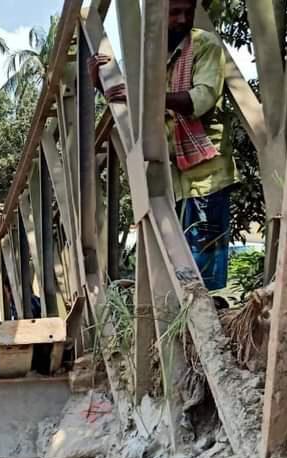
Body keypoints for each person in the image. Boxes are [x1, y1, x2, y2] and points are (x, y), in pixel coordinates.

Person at [89, 0, 238, 290]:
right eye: (174, 13)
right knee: (176, 273)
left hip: (206, 180)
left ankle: (211, 329)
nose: (182, 19)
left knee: (203, 279)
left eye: (188, 12)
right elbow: (135, 115)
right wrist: (101, 86)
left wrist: (146, 96)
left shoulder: (204, 45)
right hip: (170, 184)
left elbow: (201, 99)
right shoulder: (149, 62)